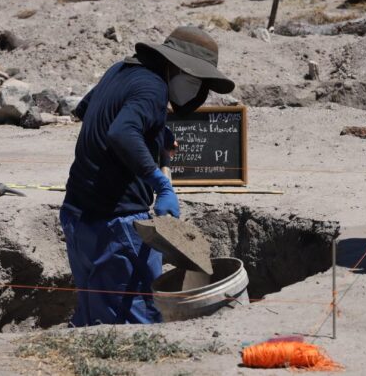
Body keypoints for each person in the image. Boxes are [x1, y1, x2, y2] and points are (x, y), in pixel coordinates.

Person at [60, 26, 235, 326]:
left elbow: (89, 109)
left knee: (95, 315)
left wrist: (155, 133)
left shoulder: (120, 69)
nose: (195, 89)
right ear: (176, 67)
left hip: (78, 217)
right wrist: (160, 183)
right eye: (195, 80)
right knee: (136, 323)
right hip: (118, 226)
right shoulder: (153, 87)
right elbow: (121, 132)